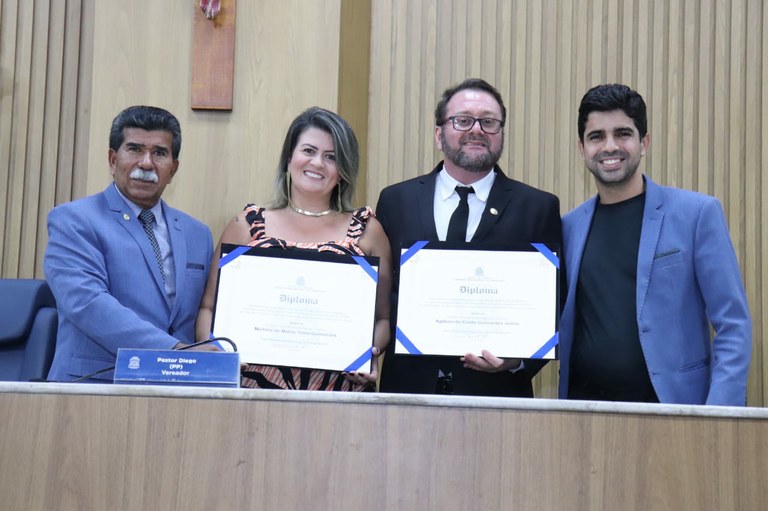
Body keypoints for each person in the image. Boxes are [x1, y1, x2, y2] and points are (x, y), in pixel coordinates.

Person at [559, 83, 751, 405]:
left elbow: (733, 325)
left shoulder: (697, 214)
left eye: (623, 133)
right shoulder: (568, 227)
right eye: (596, 136)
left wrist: (719, 415)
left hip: (673, 412)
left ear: (644, 142)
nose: (610, 146)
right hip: (583, 413)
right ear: (582, 148)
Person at [375, 78, 562, 397]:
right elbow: (383, 297)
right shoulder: (396, 201)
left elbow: (554, 303)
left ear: (501, 134)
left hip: (497, 397)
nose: (476, 130)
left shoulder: (537, 207)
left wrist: (517, 361)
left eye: (489, 122)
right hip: (407, 394)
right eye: (462, 120)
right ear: (439, 134)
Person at [195, 107, 392, 391]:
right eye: (309, 150)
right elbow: (208, 308)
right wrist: (217, 353)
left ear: (344, 170)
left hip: (340, 394)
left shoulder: (367, 230)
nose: (318, 163)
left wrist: (368, 353)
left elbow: (383, 319)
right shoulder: (247, 225)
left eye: (331, 157)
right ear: (289, 158)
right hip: (252, 391)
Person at [45, 105, 218, 383]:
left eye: (159, 153)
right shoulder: (74, 220)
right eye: (135, 149)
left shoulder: (198, 234)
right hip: (95, 387)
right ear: (113, 159)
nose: (146, 163)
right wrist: (173, 351)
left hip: (181, 392)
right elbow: (87, 303)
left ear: (173, 169)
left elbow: (205, 312)